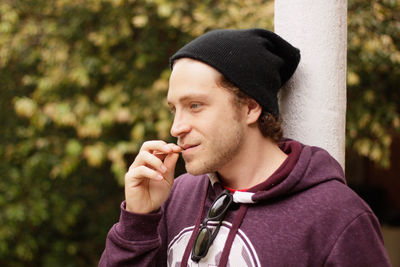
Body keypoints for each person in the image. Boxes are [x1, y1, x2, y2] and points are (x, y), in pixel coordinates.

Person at [99, 28, 391, 266]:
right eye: (174, 109)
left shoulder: (338, 217)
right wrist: (137, 221)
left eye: (195, 105)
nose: (176, 127)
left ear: (250, 107)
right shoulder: (177, 196)